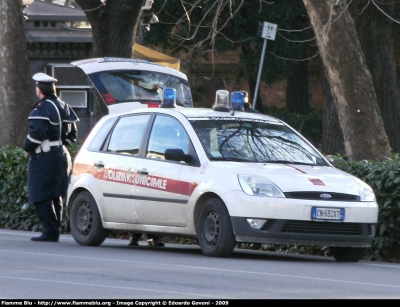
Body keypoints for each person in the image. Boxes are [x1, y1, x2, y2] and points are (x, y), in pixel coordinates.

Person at [24, 72, 79, 242]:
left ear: (40, 89)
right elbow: (73, 134)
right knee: (55, 194)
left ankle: (50, 230)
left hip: (45, 156)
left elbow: (37, 133)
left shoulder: (43, 107)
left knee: (40, 194)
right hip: (61, 154)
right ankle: (54, 230)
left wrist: (28, 148)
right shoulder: (64, 105)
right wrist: (58, 143)